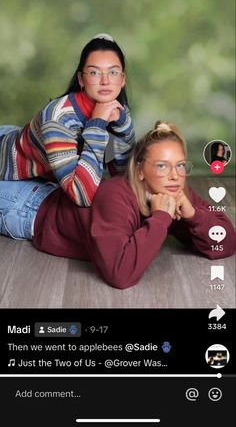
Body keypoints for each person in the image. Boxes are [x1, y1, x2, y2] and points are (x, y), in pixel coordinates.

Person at [0, 121, 235, 289]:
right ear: (141, 170)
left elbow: (226, 242)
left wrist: (194, 216)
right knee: (8, 138)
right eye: (162, 166)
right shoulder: (117, 196)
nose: (175, 175)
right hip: (27, 207)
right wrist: (161, 218)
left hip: (50, 189)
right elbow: (120, 275)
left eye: (181, 165)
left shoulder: (174, 190)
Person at [0, 34, 135, 206]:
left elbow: (123, 177)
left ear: (122, 79)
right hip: (9, 163)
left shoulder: (115, 108)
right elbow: (81, 196)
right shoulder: (59, 119)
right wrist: (97, 124)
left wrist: (123, 123)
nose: (105, 81)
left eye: (113, 72)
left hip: (44, 168)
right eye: (94, 72)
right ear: (81, 79)